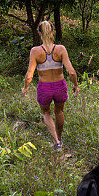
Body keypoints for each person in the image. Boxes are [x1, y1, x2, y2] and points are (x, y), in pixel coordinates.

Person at [22, 20, 78, 151]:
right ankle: (59, 138)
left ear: (40, 34)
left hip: (44, 87)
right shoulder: (61, 49)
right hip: (60, 86)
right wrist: (75, 85)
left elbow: (29, 75)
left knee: (46, 113)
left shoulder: (35, 51)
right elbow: (71, 72)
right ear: (53, 32)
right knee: (59, 111)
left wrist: (25, 88)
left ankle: (56, 142)